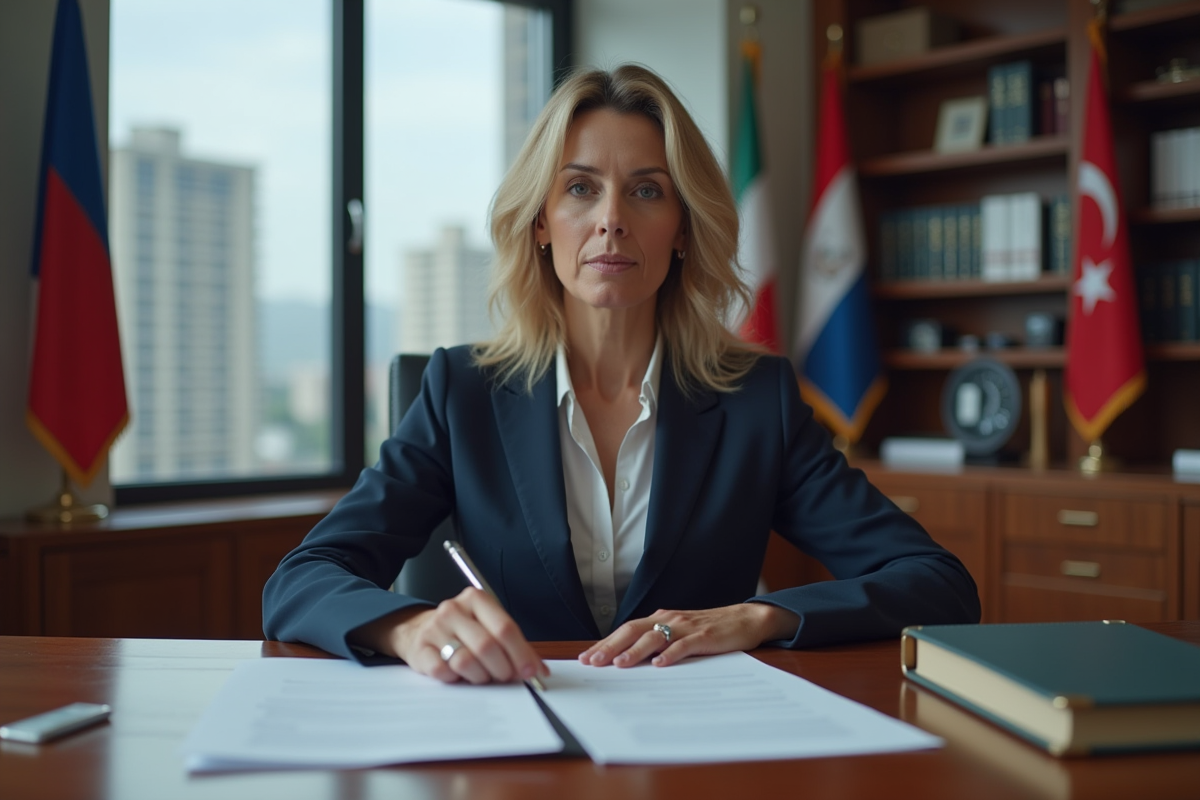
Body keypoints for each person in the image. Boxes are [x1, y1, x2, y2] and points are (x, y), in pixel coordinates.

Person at [263, 64, 980, 686]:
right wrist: (409, 630)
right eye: (579, 189)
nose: (610, 220)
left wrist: (757, 617)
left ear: (684, 226)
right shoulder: (463, 393)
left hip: (696, 746)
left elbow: (937, 585)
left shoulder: (759, 403)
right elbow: (300, 579)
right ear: (541, 222)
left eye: (645, 191)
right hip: (514, 742)